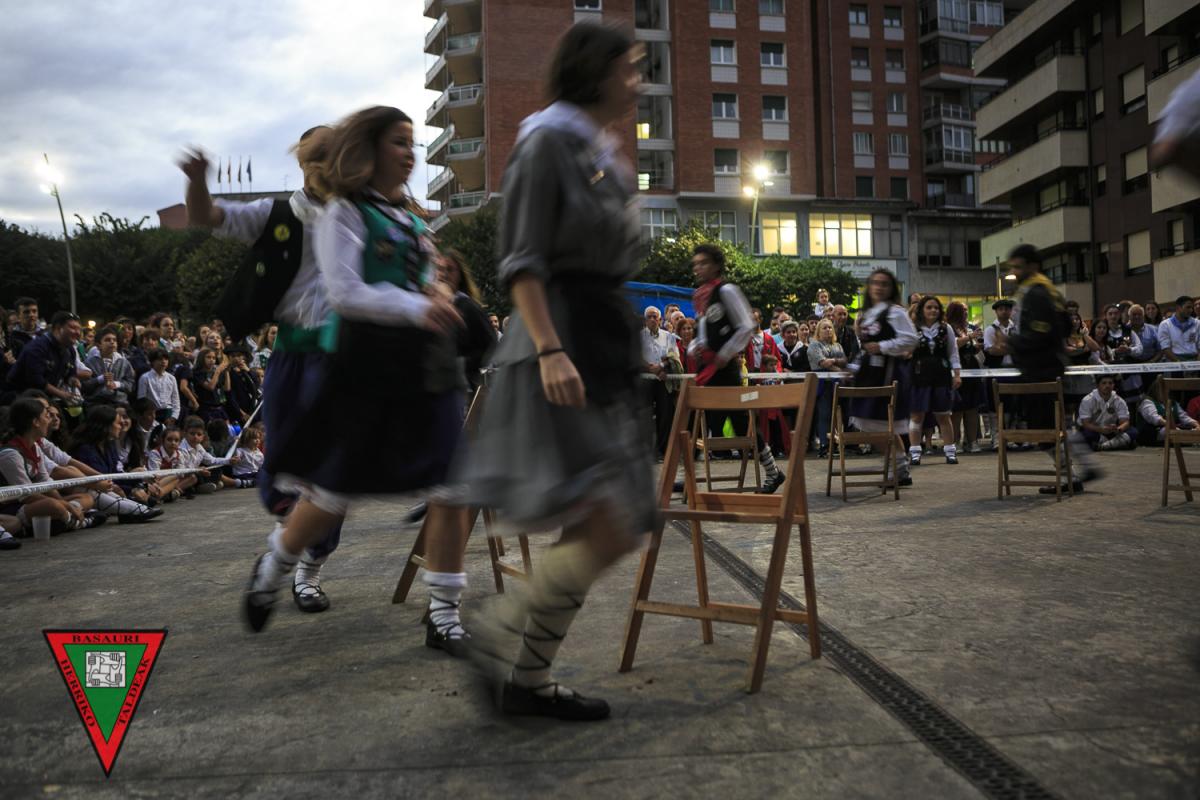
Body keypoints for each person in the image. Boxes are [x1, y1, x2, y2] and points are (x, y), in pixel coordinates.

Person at [449, 25, 651, 720]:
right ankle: (498, 627)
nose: (637, 81)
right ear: (595, 71)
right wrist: (549, 349)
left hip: (599, 341)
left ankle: (528, 679)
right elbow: (523, 261)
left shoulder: (598, 150)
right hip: (564, 340)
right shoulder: (546, 141)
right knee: (613, 518)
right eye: (629, 68)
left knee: (607, 521)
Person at [243, 105, 470, 651]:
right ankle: (275, 566)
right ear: (369, 150)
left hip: (424, 368)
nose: (410, 153)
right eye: (399, 142)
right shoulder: (343, 213)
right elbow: (345, 293)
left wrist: (438, 291)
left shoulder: (412, 220)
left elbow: (425, 279)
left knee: (454, 486)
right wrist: (419, 306)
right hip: (364, 368)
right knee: (332, 491)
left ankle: (444, 614)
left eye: (413, 143)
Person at [181, 126, 351, 615]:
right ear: (302, 162)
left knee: (335, 472)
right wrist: (197, 180)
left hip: (343, 359)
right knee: (282, 468)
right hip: (293, 355)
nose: (327, 164)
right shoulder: (276, 214)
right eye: (318, 155)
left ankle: (308, 573)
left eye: (335, 154)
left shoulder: (358, 216)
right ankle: (288, 539)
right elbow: (206, 216)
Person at [992, 244, 1100, 490]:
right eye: (1012, 268)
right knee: (1052, 425)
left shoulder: (1037, 293)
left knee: (1045, 429)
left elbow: (1041, 334)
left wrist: (1011, 342)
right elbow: (1063, 326)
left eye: (1018, 267)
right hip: (1044, 367)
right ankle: (1081, 468)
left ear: (1033, 266)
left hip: (1041, 369)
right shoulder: (1044, 290)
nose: (1014, 272)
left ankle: (1072, 475)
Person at [689, 243, 787, 493]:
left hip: (725, 369)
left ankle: (773, 472)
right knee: (694, 420)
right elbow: (702, 334)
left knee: (741, 422)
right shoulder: (701, 295)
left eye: (703, 263)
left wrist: (725, 353)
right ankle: (688, 475)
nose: (698, 268)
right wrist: (694, 348)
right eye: (696, 264)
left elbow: (746, 325)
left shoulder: (727, 290)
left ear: (716, 265)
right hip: (708, 369)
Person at [848, 269, 918, 484]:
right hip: (869, 374)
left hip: (887, 373)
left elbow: (911, 339)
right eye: (875, 283)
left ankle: (899, 469)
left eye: (884, 284)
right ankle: (900, 467)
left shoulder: (895, 312)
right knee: (871, 422)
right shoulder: (868, 313)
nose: (879, 287)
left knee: (881, 423)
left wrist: (883, 346)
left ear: (891, 288)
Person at [0, 397, 106, 534]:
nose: (49, 420)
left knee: (86, 498)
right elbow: (26, 495)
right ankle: (78, 522)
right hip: (12, 506)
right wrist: (64, 505)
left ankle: (64, 519)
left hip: (34, 501)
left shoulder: (35, 447)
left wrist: (63, 502)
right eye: (46, 416)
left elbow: (46, 482)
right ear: (35, 422)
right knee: (53, 505)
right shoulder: (10, 454)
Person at [66, 405, 164, 522]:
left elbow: (115, 474)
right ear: (106, 426)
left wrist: (140, 479)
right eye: (118, 423)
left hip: (107, 489)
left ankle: (133, 509)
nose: (121, 425)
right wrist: (130, 489)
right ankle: (135, 510)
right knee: (96, 491)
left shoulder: (108, 445)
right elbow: (102, 480)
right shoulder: (85, 449)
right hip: (88, 490)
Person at [907, 296, 962, 465]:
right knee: (916, 415)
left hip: (941, 375)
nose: (933, 310)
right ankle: (915, 452)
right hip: (918, 375)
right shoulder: (913, 328)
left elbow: (953, 352)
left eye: (936, 308)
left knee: (943, 415)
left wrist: (957, 374)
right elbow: (905, 351)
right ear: (922, 310)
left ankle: (950, 451)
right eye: (929, 307)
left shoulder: (946, 328)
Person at [6, 311, 86, 412]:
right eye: (73, 328)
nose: (78, 333)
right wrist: (63, 395)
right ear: (58, 328)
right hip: (20, 397)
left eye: (79, 329)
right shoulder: (37, 347)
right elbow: (36, 381)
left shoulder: (70, 349)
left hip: (45, 398)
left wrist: (73, 380)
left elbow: (70, 373)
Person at [946, 301, 984, 454]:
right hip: (957, 372)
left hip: (972, 371)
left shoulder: (967, 328)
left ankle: (972, 441)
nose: (966, 313)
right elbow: (953, 345)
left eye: (967, 310)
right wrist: (970, 337)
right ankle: (955, 441)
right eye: (963, 310)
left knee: (972, 409)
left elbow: (970, 348)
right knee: (957, 410)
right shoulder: (948, 328)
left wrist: (977, 347)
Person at [641, 305, 677, 457]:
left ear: (660, 319)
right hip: (645, 381)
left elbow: (673, 356)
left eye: (654, 316)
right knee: (645, 416)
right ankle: (646, 452)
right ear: (645, 320)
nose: (652, 319)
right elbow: (636, 356)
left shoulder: (669, 336)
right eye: (649, 317)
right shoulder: (639, 336)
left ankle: (663, 451)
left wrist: (662, 367)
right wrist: (650, 368)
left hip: (663, 380)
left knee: (665, 416)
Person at [807, 318, 846, 457]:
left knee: (837, 414)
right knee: (825, 414)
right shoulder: (814, 345)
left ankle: (835, 444)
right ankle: (824, 446)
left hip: (838, 383)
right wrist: (839, 369)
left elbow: (844, 361)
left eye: (830, 327)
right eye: (824, 328)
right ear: (818, 331)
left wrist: (833, 360)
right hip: (822, 383)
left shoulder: (837, 345)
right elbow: (823, 363)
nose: (828, 330)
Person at [982, 298, 1016, 450]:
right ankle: (996, 438)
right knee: (994, 405)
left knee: (1012, 405)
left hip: (1014, 371)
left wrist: (1002, 346)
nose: (1004, 312)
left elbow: (1020, 350)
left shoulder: (1015, 329)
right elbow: (991, 350)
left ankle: (1010, 437)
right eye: (1001, 309)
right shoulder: (990, 329)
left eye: (1007, 309)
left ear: (1011, 311)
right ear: (996, 311)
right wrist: (1011, 348)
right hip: (996, 371)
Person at [1135, 377, 1198, 445]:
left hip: (1171, 429)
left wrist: (1196, 425)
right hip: (1151, 433)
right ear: (1155, 390)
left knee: (1189, 430)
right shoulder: (1147, 402)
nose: (1165, 392)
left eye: (1166, 390)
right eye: (1162, 390)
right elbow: (1154, 417)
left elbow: (1184, 417)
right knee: (1169, 431)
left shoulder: (1173, 403)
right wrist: (1170, 425)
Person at [1077, 376, 1135, 451]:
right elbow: (1086, 424)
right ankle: (1118, 443)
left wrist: (1118, 429)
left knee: (1133, 431)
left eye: (1110, 383)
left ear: (1113, 385)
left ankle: (1104, 446)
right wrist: (1101, 429)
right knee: (1085, 435)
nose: (1107, 386)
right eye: (1104, 383)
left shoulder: (1119, 400)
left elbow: (1125, 422)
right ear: (1098, 385)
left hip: (1112, 431)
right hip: (1095, 430)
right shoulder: (1087, 400)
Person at [83, 325, 135, 406]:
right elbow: (84, 385)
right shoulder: (90, 362)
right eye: (107, 340)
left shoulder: (124, 362)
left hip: (119, 401)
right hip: (96, 402)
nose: (112, 342)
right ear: (98, 345)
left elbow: (131, 384)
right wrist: (99, 379)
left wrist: (117, 384)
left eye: (114, 340)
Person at [136, 349, 181, 424]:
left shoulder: (172, 378)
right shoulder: (145, 378)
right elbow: (142, 399)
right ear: (153, 361)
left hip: (168, 413)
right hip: (152, 413)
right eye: (160, 359)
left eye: (166, 359)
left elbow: (175, 399)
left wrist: (174, 416)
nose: (163, 362)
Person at [1157, 296, 1198, 361]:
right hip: (1173, 360)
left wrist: (1197, 363)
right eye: (1188, 307)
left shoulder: (1197, 323)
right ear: (1178, 308)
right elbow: (1165, 348)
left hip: (1194, 359)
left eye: (1191, 308)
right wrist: (1180, 364)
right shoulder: (1165, 324)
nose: (1191, 310)